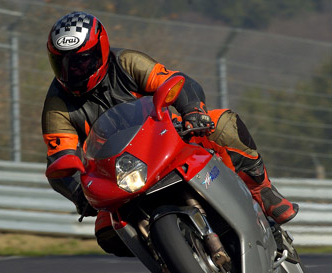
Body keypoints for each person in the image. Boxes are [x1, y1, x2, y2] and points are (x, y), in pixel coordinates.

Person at [41, 11, 298, 257]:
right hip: (120, 173)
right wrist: (79, 193)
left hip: (167, 138)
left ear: (101, 50)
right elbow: (60, 158)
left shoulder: (127, 62)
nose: (72, 70)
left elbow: (175, 81)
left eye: (81, 61)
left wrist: (192, 111)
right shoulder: (57, 106)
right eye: (62, 63)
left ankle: (262, 190)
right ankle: (169, 260)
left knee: (223, 124)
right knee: (108, 234)